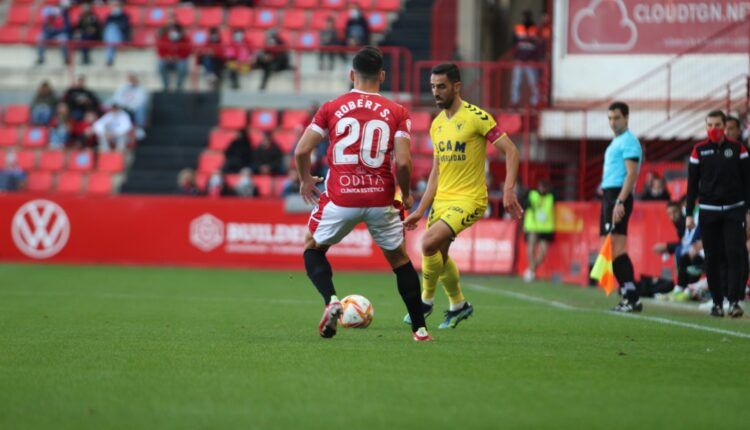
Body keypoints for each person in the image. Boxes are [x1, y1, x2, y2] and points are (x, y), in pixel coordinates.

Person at [293, 46, 431, 341]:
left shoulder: (331, 107)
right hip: (380, 197)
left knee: (312, 248)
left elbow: (302, 149)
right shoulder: (397, 111)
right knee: (400, 260)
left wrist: (305, 179)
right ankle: (420, 329)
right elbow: (404, 162)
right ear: (382, 76)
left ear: (351, 74)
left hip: (341, 197)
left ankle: (331, 300)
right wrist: (405, 195)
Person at [403, 63, 523, 329]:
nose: (436, 92)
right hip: (442, 200)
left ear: (457, 87)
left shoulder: (476, 117)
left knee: (428, 243)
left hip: (469, 199)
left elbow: (512, 152)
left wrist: (508, 189)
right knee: (438, 253)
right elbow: (436, 172)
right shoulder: (436, 125)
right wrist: (420, 211)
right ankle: (458, 305)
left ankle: (425, 301)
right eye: (433, 87)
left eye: (442, 86)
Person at [685, 110, 750, 317]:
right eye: (710, 125)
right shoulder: (699, 150)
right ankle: (716, 302)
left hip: (734, 210)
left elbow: (748, 182)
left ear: (725, 126)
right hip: (708, 211)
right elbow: (692, 185)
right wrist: (688, 214)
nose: (714, 129)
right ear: (706, 127)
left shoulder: (738, 149)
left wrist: (747, 211)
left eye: (717, 125)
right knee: (712, 258)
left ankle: (734, 302)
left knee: (735, 255)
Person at [600, 101, 643, 312]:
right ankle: (627, 293)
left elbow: (632, 174)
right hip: (610, 195)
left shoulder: (629, 141)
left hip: (618, 195)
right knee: (609, 246)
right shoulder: (617, 141)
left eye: (616, 118)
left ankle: (631, 296)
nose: (612, 122)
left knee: (617, 247)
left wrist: (620, 200)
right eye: (610, 118)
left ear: (626, 117)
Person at [653, 201, 704, 301]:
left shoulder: (689, 219)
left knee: (683, 253)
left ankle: (688, 290)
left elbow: (691, 240)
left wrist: (667, 247)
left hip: (706, 248)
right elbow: (687, 241)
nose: (672, 216)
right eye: (669, 214)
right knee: (683, 256)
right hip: (698, 248)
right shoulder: (682, 222)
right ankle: (679, 289)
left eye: (674, 212)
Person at [522, 179, 555, 282]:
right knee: (531, 248)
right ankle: (531, 272)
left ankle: (531, 270)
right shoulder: (532, 195)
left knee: (543, 252)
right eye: (541, 187)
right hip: (532, 225)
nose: (542, 189)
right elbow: (524, 204)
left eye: (545, 187)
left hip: (546, 227)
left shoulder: (551, 197)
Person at [510, 10, 540, 107]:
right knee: (516, 82)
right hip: (520, 59)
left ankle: (535, 102)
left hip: (530, 60)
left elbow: (538, 45)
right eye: (524, 17)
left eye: (527, 16)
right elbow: (513, 44)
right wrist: (516, 56)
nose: (525, 19)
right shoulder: (518, 28)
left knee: (533, 82)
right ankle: (515, 101)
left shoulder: (535, 29)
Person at [156, 16, 191, 91]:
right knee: (160, 64)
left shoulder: (184, 38)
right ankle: (166, 86)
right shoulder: (163, 36)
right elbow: (159, 49)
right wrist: (166, 56)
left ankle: (178, 87)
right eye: (171, 29)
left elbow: (188, 49)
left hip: (179, 60)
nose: (173, 31)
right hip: (167, 60)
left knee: (183, 65)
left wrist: (178, 57)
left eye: (175, 29)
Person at [102, 1, 131, 67]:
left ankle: (109, 58)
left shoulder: (124, 16)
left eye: (117, 6)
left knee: (113, 28)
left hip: (121, 37)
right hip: (111, 38)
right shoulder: (109, 16)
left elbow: (125, 27)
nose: (116, 7)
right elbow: (104, 26)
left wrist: (116, 25)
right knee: (110, 29)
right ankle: (110, 54)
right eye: (115, 6)